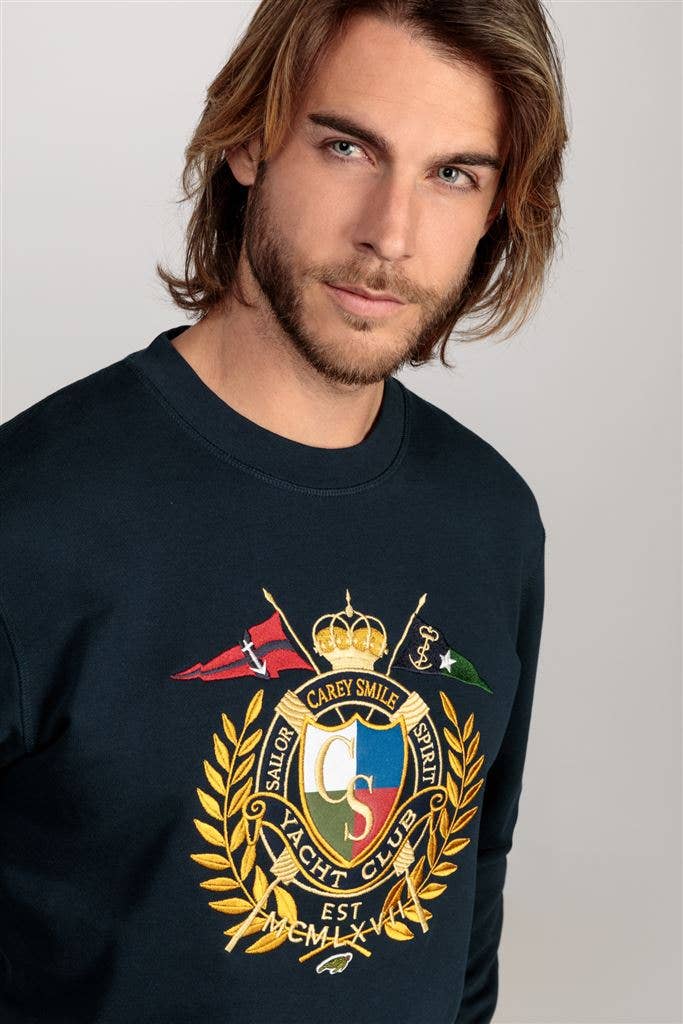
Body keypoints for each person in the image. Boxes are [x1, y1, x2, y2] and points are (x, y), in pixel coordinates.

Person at [0, 2, 568, 1022]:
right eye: (347, 147)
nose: (389, 234)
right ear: (249, 140)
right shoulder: (33, 515)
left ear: (497, 208)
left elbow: (464, 927)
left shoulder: (491, 522)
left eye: (452, 174)